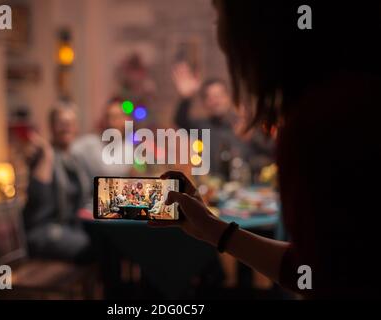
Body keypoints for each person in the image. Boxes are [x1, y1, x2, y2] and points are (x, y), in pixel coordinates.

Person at [151, 0, 381, 298]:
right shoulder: (342, 99)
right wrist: (212, 229)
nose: (219, 36)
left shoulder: (321, 120)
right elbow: (316, 270)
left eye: (220, 16)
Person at [23, 103, 92, 263]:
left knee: (110, 241)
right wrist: (47, 154)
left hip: (71, 228)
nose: (66, 127)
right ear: (52, 127)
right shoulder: (42, 156)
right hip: (43, 231)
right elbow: (38, 200)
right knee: (95, 246)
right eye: (61, 123)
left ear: (77, 128)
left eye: (71, 123)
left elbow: (89, 195)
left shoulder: (76, 160)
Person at [72, 97, 133, 183]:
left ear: (124, 121)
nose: (112, 123)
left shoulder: (128, 149)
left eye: (116, 117)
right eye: (108, 117)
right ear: (103, 120)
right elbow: (69, 150)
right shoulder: (89, 143)